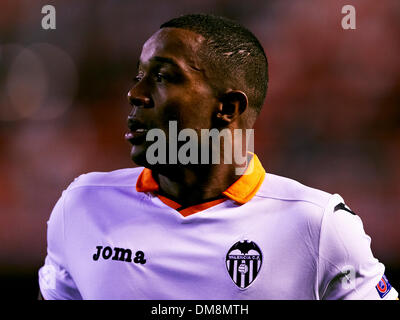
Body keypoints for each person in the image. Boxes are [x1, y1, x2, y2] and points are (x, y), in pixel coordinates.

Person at [38, 14, 398, 300]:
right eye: (139, 76)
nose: (135, 93)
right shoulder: (82, 204)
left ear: (227, 107)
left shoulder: (317, 225)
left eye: (162, 77)